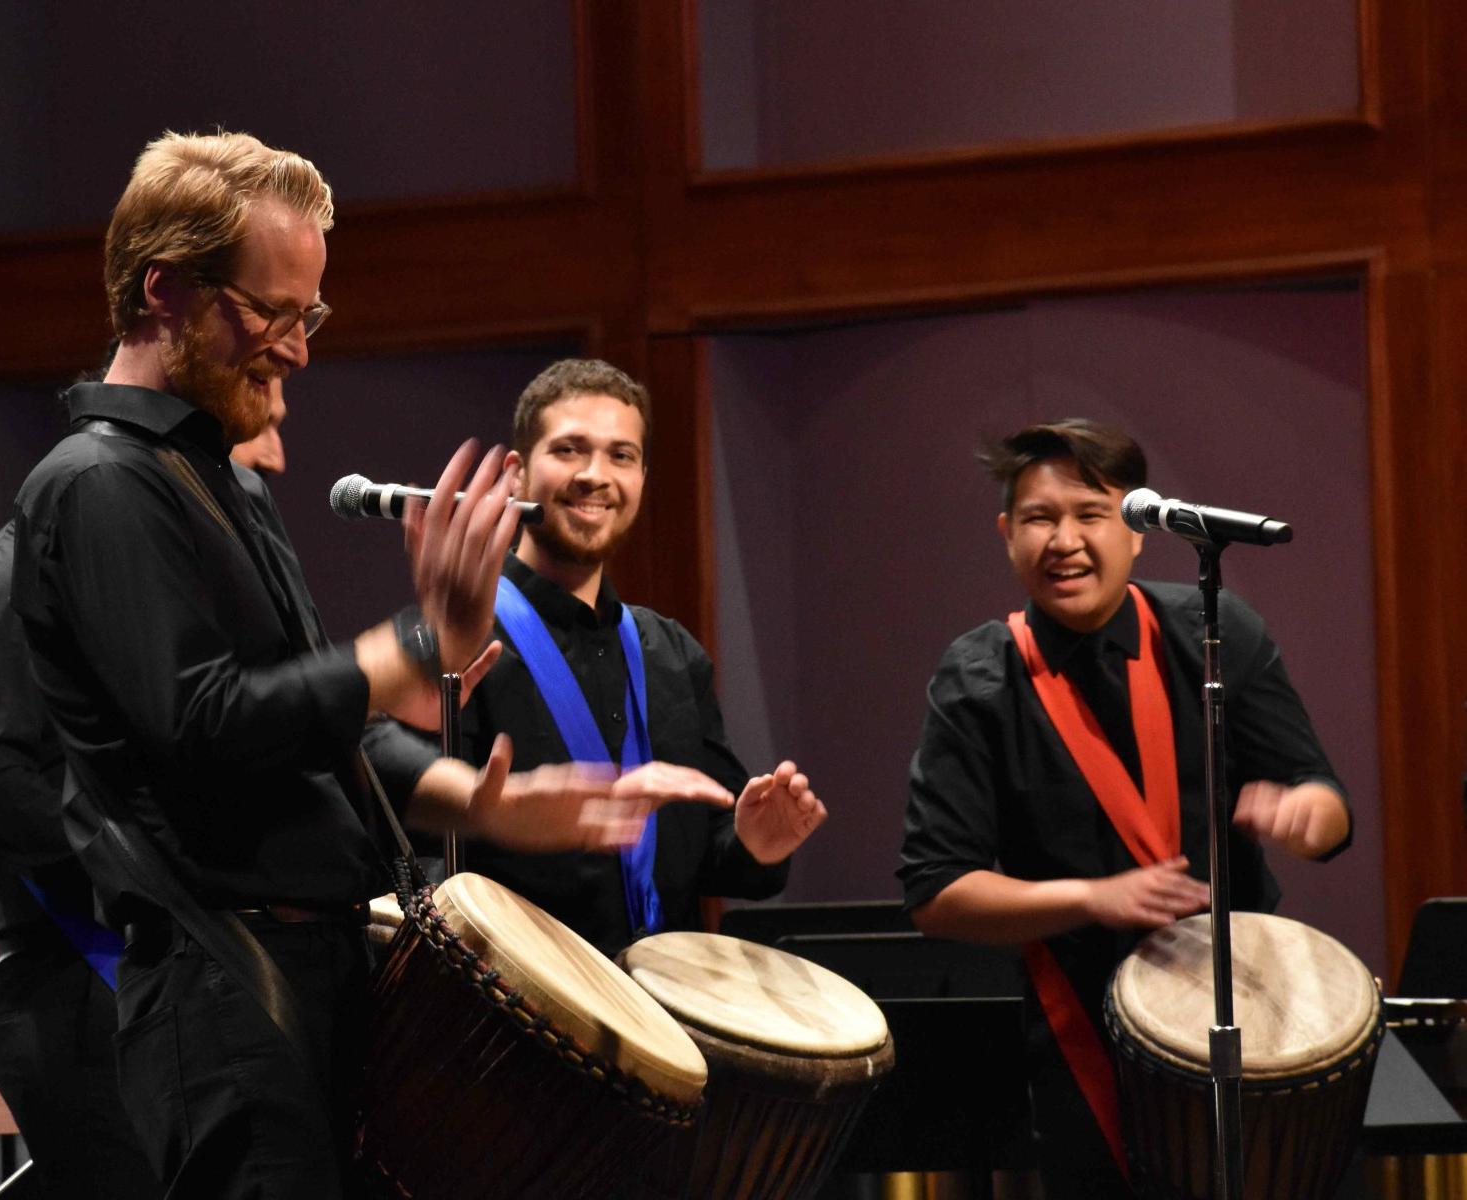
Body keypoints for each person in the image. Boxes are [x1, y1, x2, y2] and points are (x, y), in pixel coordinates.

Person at [8, 132, 687, 1200]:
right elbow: (206, 726)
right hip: (221, 985)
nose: (298, 349)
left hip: (309, 977)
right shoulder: (96, 484)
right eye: (271, 312)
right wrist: (412, 645)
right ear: (164, 291)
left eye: (308, 315)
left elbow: (315, 722)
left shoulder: (226, 487)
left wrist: (490, 804)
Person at [897, 418, 1351, 1198]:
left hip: (1254, 1020)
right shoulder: (978, 676)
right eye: (1039, 519)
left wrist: (1308, 816)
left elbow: (1324, 799)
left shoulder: (1214, 632)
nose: (1063, 540)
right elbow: (936, 892)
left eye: (1091, 514)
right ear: (1008, 535)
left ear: (1139, 528)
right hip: (1082, 1037)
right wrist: (1092, 900)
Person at [0, 373, 298, 1199]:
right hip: (84, 985)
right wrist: (163, 848)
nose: (270, 457)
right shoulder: (0, 578)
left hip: (173, 973)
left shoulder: (161, 605)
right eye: (242, 447)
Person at [437, 358, 827, 958]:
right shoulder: (456, 641)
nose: (597, 476)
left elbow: (710, 858)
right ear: (515, 473)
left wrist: (757, 842)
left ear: (642, 475)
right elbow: (414, 845)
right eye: (570, 450)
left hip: (664, 1021)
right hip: (518, 1012)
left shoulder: (672, 654)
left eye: (621, 456)